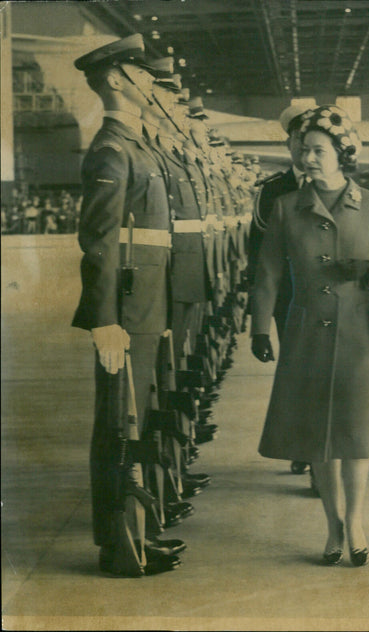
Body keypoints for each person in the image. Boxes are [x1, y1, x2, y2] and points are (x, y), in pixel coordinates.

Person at [250, 105, 369, 566]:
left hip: (360, 335)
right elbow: (267, 275)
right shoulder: (284, 208)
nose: (308, 158)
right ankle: (332, 525)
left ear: (342, 152)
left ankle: (355, 521)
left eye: (318, 150)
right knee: (317, 435)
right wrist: (260, 327)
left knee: (357, 433)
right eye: (303, 150)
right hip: (306, 334)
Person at [71, 34, 182, 576]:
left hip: (148, 304)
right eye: (137, 72)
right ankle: (120, 546)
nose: (147, 82)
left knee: (136, 426)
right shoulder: (112, 149)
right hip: (128, 310)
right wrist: (105, 318)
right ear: (115, 79)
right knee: (120, 427)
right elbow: (99, 241)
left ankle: (137, 535)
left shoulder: (136, 146)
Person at [249, 104, 312, 477]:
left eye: (311, 141)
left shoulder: (341, 188)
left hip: (337, 301)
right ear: (288, 144)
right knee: (300, 374)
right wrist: (259, 326)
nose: (304, 150)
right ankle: (305, 444)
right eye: (297, 141)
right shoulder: (273, 192)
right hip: (290, 300)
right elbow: (261, 264)